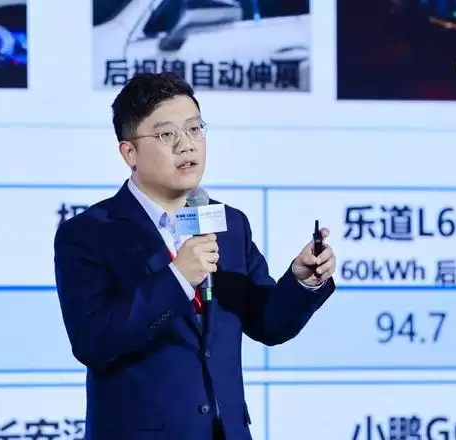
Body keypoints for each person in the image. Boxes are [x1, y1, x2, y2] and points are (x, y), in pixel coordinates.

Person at [54, 72, 337, 440]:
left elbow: (268, 324)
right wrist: (177, 279)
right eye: (166, 135)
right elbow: (93, 342)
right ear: (129, 153)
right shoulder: (88, 234)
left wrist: (302, 281)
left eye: (194, 129)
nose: (186, 145)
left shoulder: (230, 224)